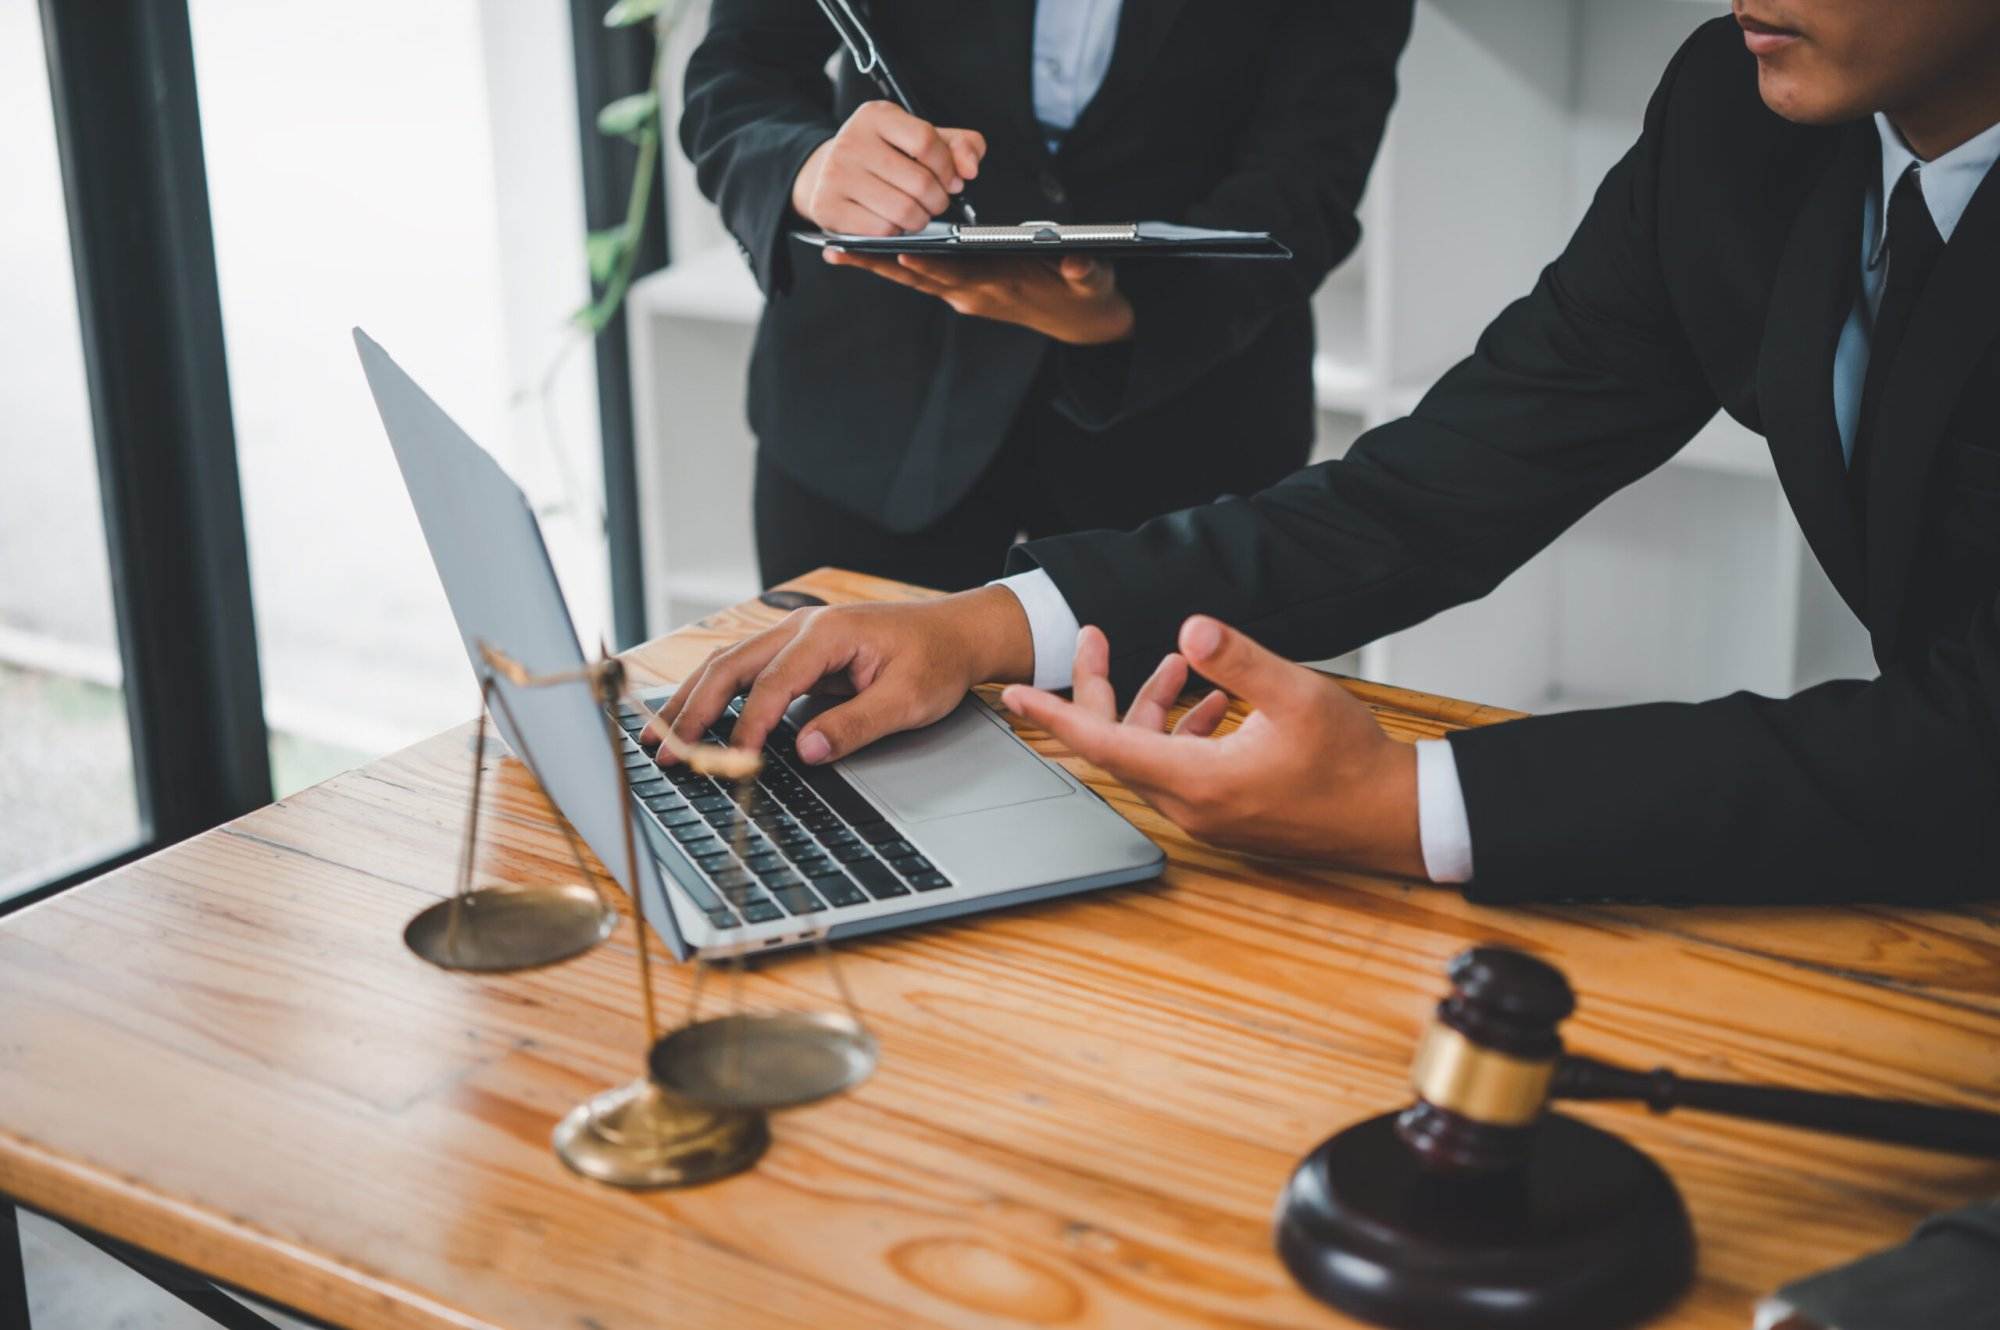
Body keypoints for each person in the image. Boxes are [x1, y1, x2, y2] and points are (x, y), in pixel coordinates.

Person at [653, 0, 2000, 906]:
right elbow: (1440, 488)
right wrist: (990, 627)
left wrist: (1410, 800)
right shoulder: (1737, 114)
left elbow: (1964, 739)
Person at [679, 0, 1414, 590]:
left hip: (1186, 428)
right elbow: (740, 69)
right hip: (870, 410)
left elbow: (1311, 166)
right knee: (830, 760)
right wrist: (808, 167)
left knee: (1156, 770)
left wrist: (1132, 319)